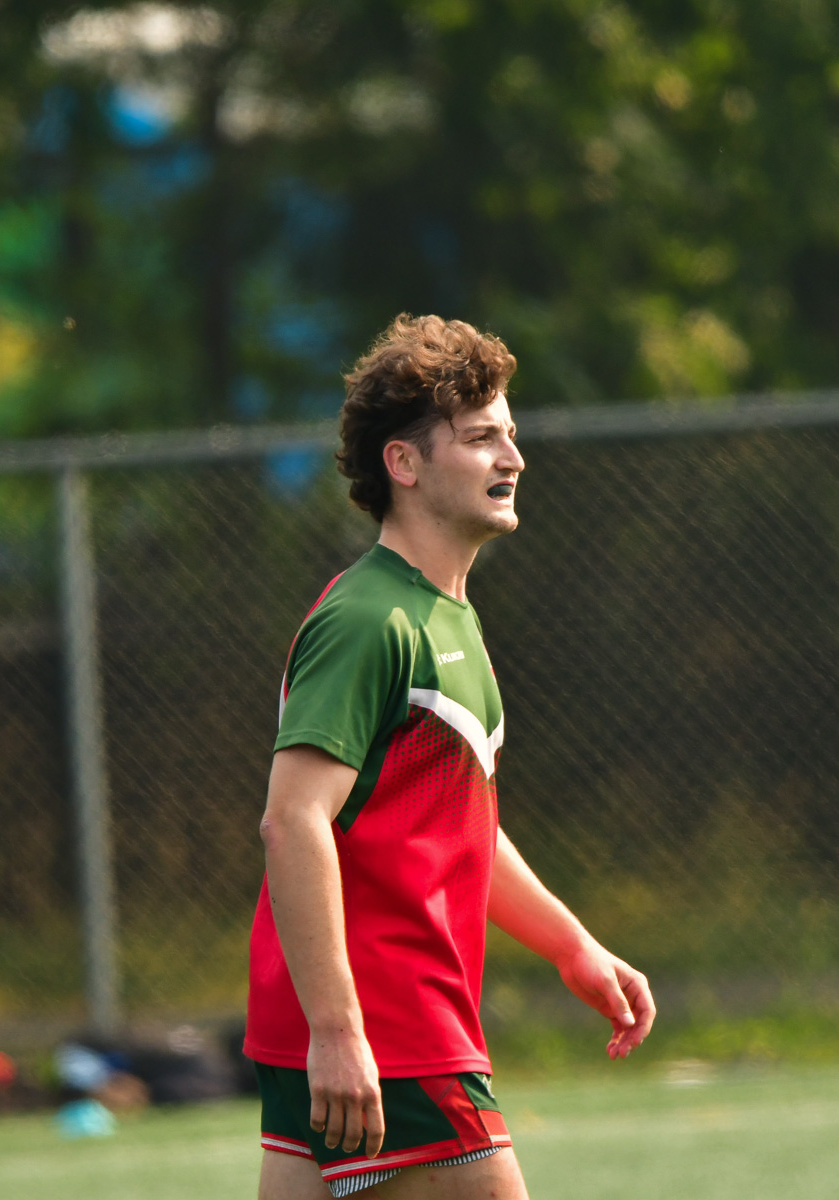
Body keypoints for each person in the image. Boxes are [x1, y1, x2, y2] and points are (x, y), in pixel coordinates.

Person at [247, 315, 656, 1200]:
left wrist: (570, 945)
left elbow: (460, 826)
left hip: (366, 1021)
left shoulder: (446, 617)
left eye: (510, 434)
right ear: (404, 464)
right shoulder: (370, 621)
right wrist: (339, 1028)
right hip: (387, 1022)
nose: (511, 457)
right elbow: (293, 821)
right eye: (479, 438)